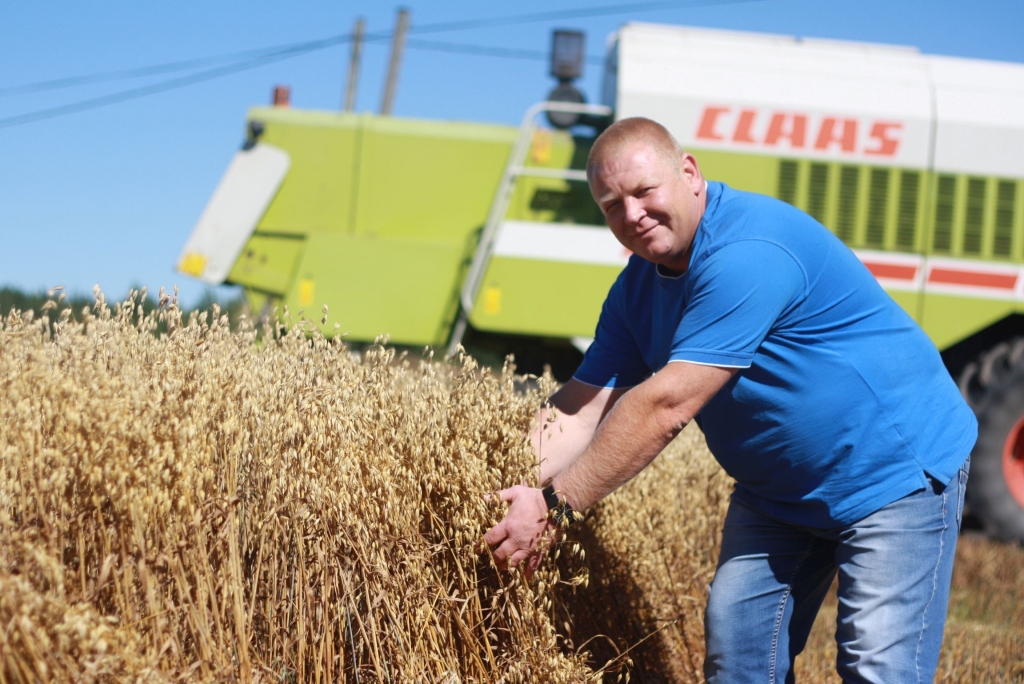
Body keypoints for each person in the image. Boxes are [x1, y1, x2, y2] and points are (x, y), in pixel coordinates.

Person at [481, 117, 976, 683]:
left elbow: (666, 407)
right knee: (739, 662)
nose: (633, 215)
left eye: (645, 192)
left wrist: (555, 505)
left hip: (893, 473)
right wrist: (503, 486)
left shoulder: (747, 249)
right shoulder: (636, 290)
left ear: (689, 173)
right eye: (612, 205)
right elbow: (581, 407)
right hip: (778, 496)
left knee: (876, 667)